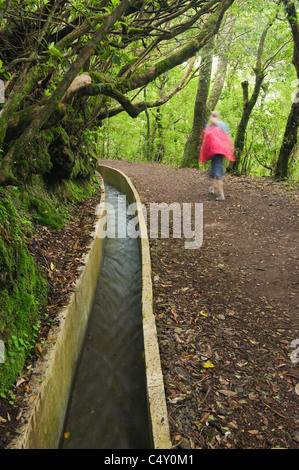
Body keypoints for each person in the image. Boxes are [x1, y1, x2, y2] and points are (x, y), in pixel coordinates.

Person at [199, 111, 235, 201]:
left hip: (216, 151)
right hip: (218, 151)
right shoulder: (218, 125)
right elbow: (228, 136)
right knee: (213, 171)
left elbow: (203, 137)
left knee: (217, 172)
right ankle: (212, 187)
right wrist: (231, 147)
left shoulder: (215, 126)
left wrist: (201, 148)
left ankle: (222, 195)